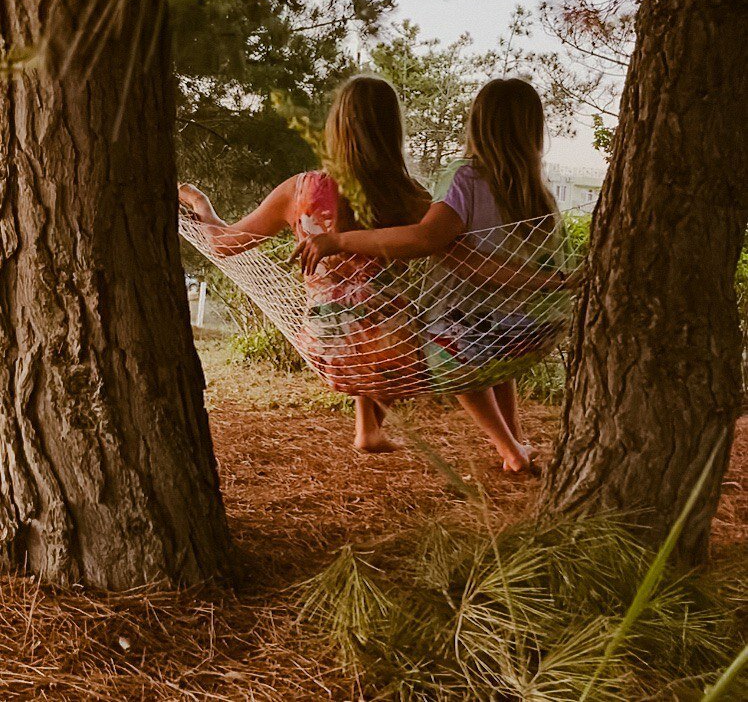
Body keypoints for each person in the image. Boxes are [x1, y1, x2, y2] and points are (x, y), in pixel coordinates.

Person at [292, 78, 571, 473]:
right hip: (530, 328)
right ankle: (514, 442)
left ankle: (510, 448)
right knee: (469, 342)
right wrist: (553, 283)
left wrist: (339, 240)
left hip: (465, 332)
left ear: (477, 124)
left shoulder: (464, 177)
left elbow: (429, 239)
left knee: (441, 339)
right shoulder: (537, 192)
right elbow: (468, 256)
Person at [179, 75, 431, 453]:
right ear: (392, 131)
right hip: (398, 353)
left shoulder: (303, 190)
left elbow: (225, 245)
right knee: (378, 305)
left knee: (353, 302)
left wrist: (201, 205)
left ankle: (368, 431)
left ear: (336, 129)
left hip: (327, 345)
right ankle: (369, 427)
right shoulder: (413, 196)